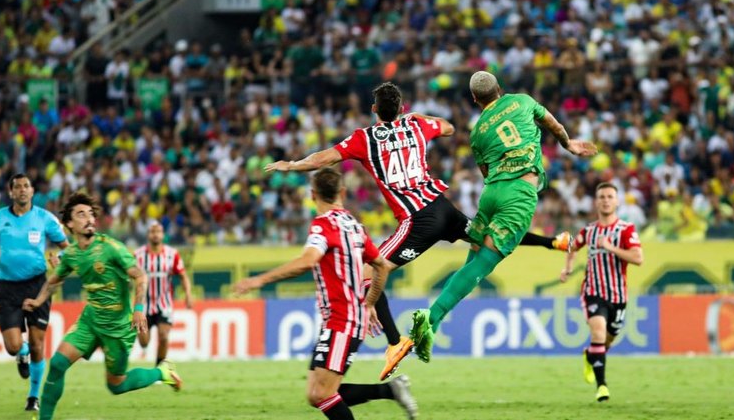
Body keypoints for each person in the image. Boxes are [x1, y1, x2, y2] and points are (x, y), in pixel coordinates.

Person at [265, 82, 569, 380]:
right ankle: (551, 242)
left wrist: (292, 165)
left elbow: (325, 157)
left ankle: (395, 342)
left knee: (367, 272)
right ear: (401, 107)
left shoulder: (364, 139)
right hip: (443, 207)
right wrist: (416, 119)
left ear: (374, 109)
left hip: (417, 219)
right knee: (489, 237)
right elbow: (447, 127)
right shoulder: (415, 125)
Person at [409, 71, 598, 362]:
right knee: (486, 261)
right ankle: (430, 318)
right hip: (519, 192)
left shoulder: (477, 131)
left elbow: (485, 173)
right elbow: (553, 124)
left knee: (474, 259)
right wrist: (567, 143)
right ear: (499, 88)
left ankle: (432, 323)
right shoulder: (522, 101)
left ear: (474, 99)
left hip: (492, 192)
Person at [233, 168, 418, 420]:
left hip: (343, 320)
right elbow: (381, 266)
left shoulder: (323, 225)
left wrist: (259, 280)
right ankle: (390, 389)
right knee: (315, 394)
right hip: (341, 319)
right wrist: (370, 301)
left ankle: (391, 390)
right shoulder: (354, 225)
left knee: (323, 394)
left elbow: (306, 262)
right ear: (342, 192)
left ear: (312, 194)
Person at [22, 192, 182, 420]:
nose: (88, 219)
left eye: (90, 214)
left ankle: (162, 372)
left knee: (116, 385)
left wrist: (138, 310)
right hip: (90, 321)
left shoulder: (111, 247)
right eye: (81, 214)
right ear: (69, 223)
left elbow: (141, 276)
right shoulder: (72, 254)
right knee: (57, 364)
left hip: (117, 326)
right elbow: (54, 280)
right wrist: (37, 301)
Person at [0, 174, 69, 412]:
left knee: (37, 343)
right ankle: (20, 354)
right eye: (17, 187)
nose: (22, 190)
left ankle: (33, 396)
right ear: (11, 193)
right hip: (8, 287)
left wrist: (59, 258)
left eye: (26, 186)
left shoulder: (45, 218)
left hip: (37, 285)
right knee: (13, 345)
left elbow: (68, 248)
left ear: (32, 191)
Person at [559, 182, 644, 402]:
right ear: (596, 202)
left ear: (617, 201)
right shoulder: (588, 230)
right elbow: (573, 247)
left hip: (619, 297)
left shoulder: (626, 230)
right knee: (597, 333)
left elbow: (638, 258)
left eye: (609, 196)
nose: (606, 200)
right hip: (593, 292)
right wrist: (568, 268)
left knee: (606, 342)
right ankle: (602, 387)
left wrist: (611, 247)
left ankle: (590, 355)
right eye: (602, 197)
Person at [134, 220, 194, 365]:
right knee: (143, 342)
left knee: (164, 335)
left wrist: (188, 294)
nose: (155, 235)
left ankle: (160, 369)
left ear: (163, 235)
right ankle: (145, 347)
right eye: (152, 231)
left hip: (164, 303)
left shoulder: (172, 254)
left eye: (158, 232)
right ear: (148, 234)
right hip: (144, 305)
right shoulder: (138, 255)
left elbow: (183, 276)